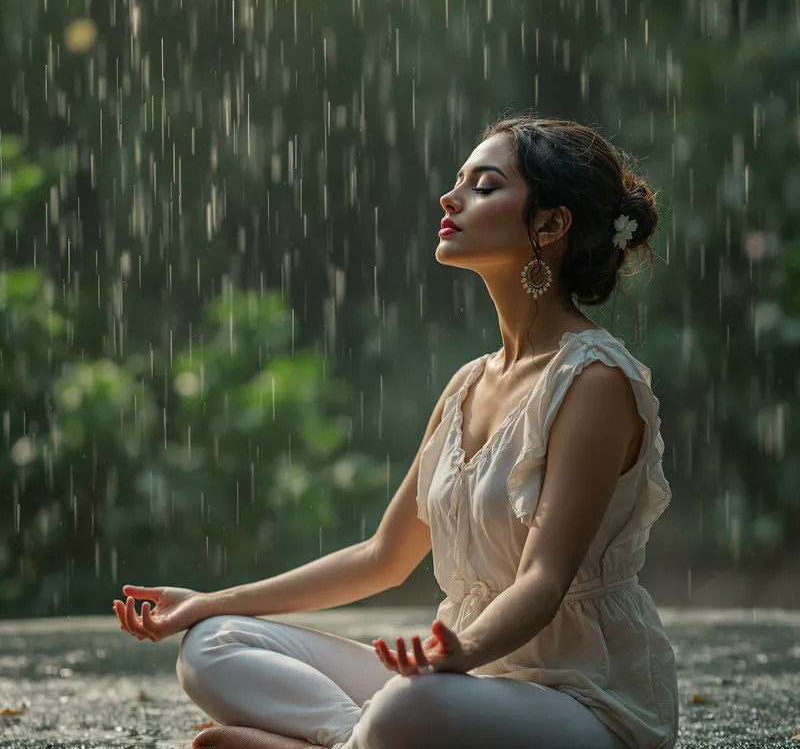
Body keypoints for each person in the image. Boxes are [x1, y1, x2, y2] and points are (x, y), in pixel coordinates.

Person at [113, 115, 679, 749]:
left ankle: (351, 739)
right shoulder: (469, 384)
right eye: (459, 181)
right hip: (468, 684)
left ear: (549, 225)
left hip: (585, 701)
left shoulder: (593, 380)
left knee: (408, 706)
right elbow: (382, 557)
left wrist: (457, 653)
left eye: (484, 186)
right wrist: (213, 601)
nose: (450, 197)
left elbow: (543, 582)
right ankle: (349, 741)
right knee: (212, 645)